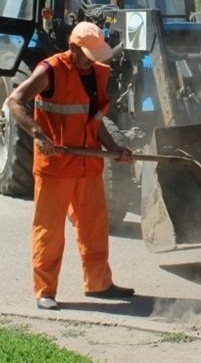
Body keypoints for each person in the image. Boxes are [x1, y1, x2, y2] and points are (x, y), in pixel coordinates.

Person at [7, 21, 134, 311]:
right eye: (89, 56)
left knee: (94, 227)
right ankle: (45, 291)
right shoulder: (50, 70)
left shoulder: (99, 73)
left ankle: (99, 283)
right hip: (57, 165)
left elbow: (95, 120)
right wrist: (39, 135)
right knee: (49, 231)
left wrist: (115, 149)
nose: (94, 63)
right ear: (74, 48)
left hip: (88, 165)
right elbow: (15, 101)